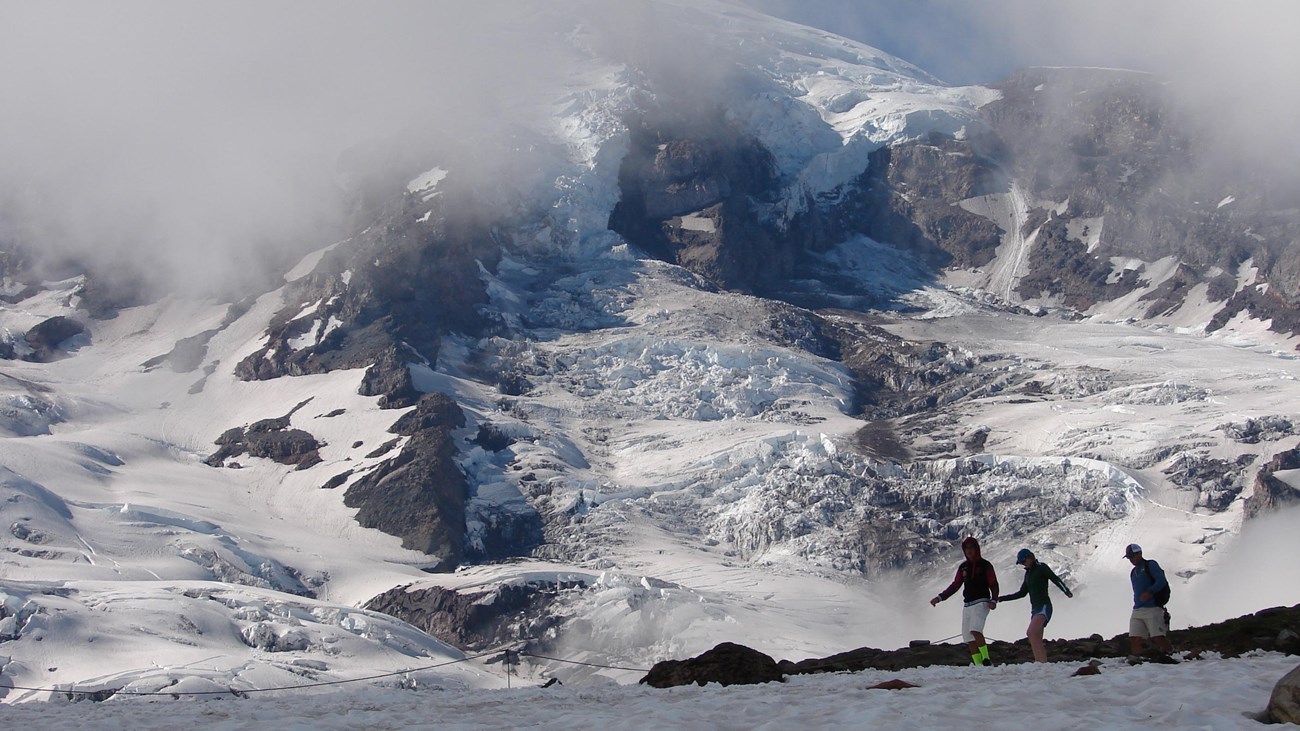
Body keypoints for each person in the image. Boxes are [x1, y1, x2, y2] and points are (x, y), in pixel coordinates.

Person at [930, 536, 1000, 666]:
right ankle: (978, 663)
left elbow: (993, 583)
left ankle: (986, 659)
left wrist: (994, 600)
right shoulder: (963, 567)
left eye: (972, 548)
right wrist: (940, 597)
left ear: (976, 549)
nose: (969, 551)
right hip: (967, 604)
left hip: (982, 601)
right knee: (968, 638)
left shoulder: (985, 565)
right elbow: (955, 585)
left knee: (975, 630)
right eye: (967, 548)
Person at [997, 548, 1073, 663]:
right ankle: (1042, 662)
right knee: (1036, 636)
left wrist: (1066, 591)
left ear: (1030, 557)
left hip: (1044, 606)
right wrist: (1002, 598)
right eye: (1022, 563)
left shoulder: (1041, 567)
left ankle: (1039, 662)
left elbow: (1055, 579)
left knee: (1031, 633)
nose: (1024, 564)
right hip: (1035, 609)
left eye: (1024, 561)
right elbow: (1022, 593)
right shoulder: (1028, 574)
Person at [1124, 543, 1174, 660]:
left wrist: (1150, 592)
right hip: (1137, 608)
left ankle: (1171, 652)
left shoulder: (1150, 565)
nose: (1131, 559)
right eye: (1129, 557)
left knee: (1158, 636)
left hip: (1153, 607)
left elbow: (1161, 580)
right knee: (1134, 637)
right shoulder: (1133, 572)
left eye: (1132, 556)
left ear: (1140, 554)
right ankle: (1138, 659)